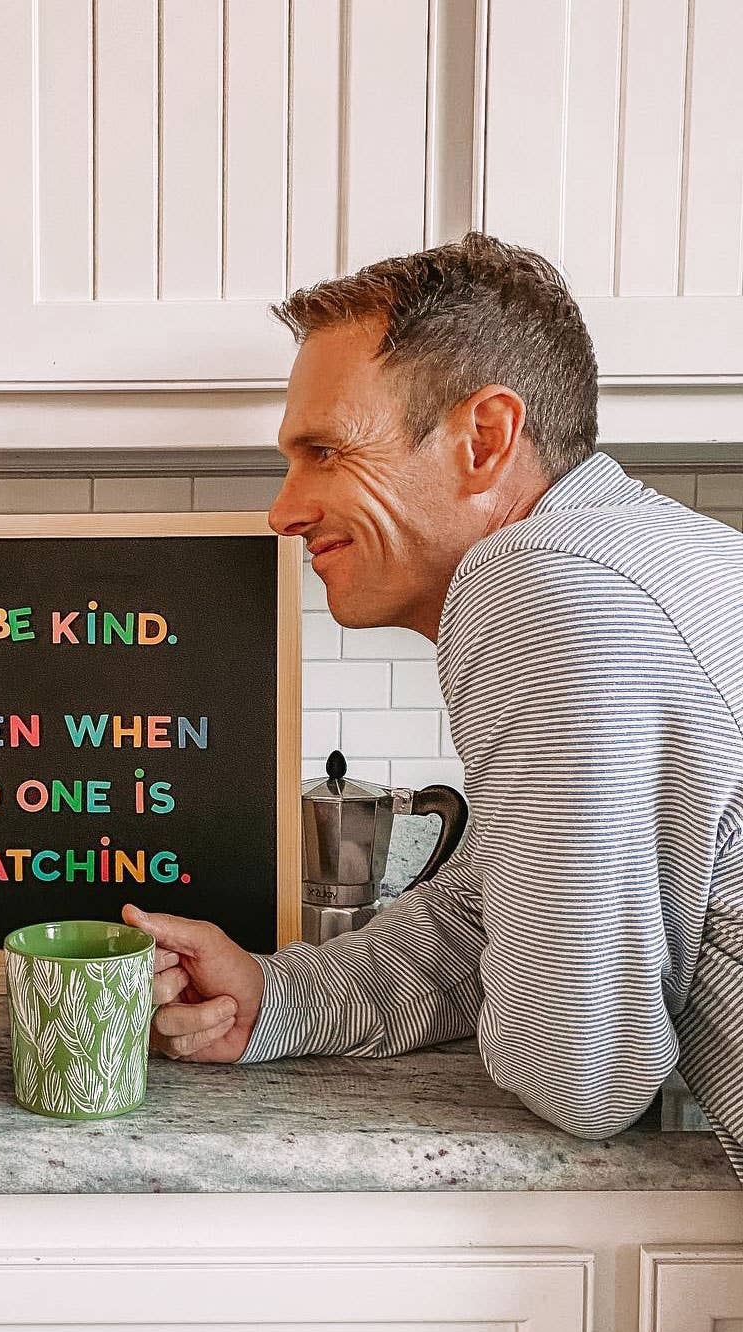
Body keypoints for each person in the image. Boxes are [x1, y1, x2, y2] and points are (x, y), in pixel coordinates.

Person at [130, 231, 743, 1179]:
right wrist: (274, 999)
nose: (283, 511)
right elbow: (488, 912)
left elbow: (583, 1070)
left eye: (326, 450)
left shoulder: (539, 579)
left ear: (485, 439)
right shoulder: (642, 555)